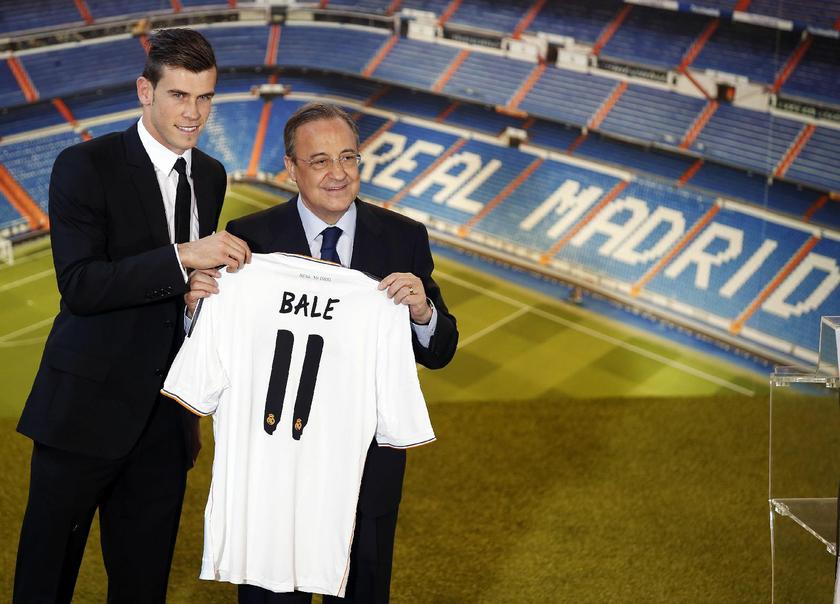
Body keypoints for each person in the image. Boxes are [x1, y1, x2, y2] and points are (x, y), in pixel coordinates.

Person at [14, 28, 251, 603]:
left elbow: (176, 304)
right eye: (179, 96)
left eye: (205, 97)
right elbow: (81, 286)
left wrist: (189, 408)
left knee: (142, 587)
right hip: (82, 415)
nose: (194, 114)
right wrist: (183, 259)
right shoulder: (84, 165)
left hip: (164, 423)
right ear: (145, 91)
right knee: (45, 582)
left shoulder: (212, 175)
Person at [187, 102, 458, 604]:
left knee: (363, 588)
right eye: (320, 161)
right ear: (291, 168)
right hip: (274, 461)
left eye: (349, 158)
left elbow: (441, 350)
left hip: (365, 465)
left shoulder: (403, 237)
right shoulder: (252, 238)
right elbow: (219, 333)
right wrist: (196, 308)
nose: (338, 174)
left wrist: (422, 314)